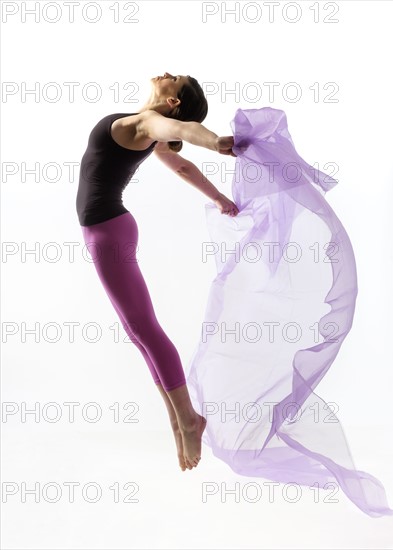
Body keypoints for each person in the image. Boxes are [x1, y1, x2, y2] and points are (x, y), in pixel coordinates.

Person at [76, 72, 239, 472]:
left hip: (107, 233)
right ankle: (178, 419)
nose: (167, 73)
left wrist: (215, 143)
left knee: (145, 328)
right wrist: (218, 197)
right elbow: (178, 164)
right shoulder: (147, 130)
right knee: (138, 331)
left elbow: (183, 130)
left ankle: (188, 418)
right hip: (107, 230)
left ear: (173, 101)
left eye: (175, 79)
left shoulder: (149, 123)